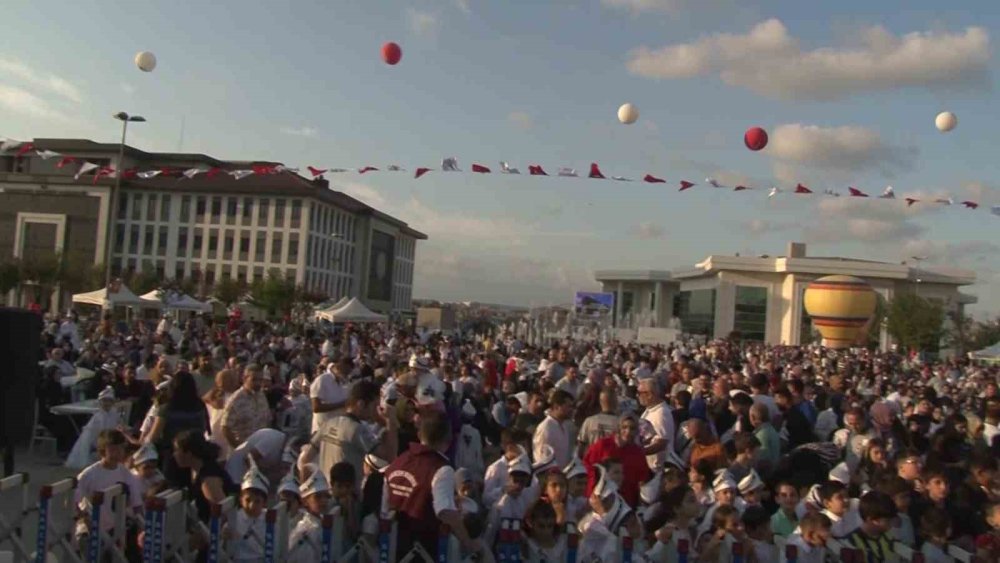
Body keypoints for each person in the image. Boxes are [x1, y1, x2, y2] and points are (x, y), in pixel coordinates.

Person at [383, 410, 484, 558]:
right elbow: (445, 512)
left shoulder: (399, 461)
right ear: (449, 440)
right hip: (423, 551)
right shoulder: (441, 469)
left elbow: (385, 507)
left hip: (392, 549)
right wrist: (470, 543)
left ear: (419, 435)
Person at [303, 381, 396, 488]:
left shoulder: (329, 423)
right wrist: (391, 421)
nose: (376, 411)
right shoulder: (357, 430)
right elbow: (390, 456)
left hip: (327, 491)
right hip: (349, 494)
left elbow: (306, 459)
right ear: (361, 404)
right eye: (374, 406)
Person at [73, 430, 143, 547]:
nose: (118, 452)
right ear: (102, 451)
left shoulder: (126, 474)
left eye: (121, 448)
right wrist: (84, 519)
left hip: (116, 529)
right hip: (91, 529)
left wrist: (142, 529)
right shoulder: (88, 474)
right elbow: (73, 499)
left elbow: (137, 505)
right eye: (113, 449)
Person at [582, 415, 650, 508]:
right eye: (624, 427)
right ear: (618, 428)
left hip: (626, 501)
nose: (628, 431)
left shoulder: (637, 452)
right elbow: (587, 465)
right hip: (601, 497)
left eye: (632, 428)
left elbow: (642, 479)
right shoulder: (603, 445)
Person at [171, 430, 237, 523]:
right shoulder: (196, 470)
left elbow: (223, 515)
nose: (174, 454)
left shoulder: (208, 480)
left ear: (189, 453)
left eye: (176, 450)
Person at [66, 386, 122, 469]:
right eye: (104, 401)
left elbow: (117, 425)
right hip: (98, 439)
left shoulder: (114, 414)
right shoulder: (98, 416)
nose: (106, 404)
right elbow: (94, 433)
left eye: (109, 401)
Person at [224, 461, 269, 562]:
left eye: (257, 501)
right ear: (241, 499)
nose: (252, 505)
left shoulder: (270, 519)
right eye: (248, 500)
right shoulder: (234, 518)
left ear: (264, 502)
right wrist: (224, 537)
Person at [222, 365, 272, 449]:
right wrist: (239, 448)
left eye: (260, 380)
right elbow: (225, 427)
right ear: (244, 379)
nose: (258, 383)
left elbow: (267, 420)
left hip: (261, 448)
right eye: (254, 380)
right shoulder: (236, 400)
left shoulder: (261, 395)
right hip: (244, 448)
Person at [288, 471, 333, 562]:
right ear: (305, 501)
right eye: (318, 497)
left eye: (326, 496)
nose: (323, 500)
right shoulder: (304, 531)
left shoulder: (327, 523)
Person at [843, 491, 897, 563]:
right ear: (871, 519)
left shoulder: (890, 537)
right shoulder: (850, 544)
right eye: (887, 520)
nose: (891, 523)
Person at [638, 377, 675, 473]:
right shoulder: (649, 410)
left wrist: (640, 452)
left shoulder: (661, 413)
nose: (638, 396)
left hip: (657, 468)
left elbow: (662, 443)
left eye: (640, 393)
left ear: (650, 394)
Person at [532, 390, 574, 469]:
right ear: (556, 407)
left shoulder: (564, 426)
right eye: (568, 406)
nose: (571, 410)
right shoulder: (546, 428)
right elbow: (542, 460)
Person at [577, 387, 620, 456]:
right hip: (613, 460)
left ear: (600, 402)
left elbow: (581, 448)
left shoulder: (589, 421)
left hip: (593, 459)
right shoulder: (621, 423)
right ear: (616, 402)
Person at [310, 359, 348, 433]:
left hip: (335, 429)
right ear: (339, 367)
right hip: (321, 430)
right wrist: (341, 404)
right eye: (346, 371)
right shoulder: (322, 380)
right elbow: (316, 407)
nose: (346, 375)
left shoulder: (342, 383)